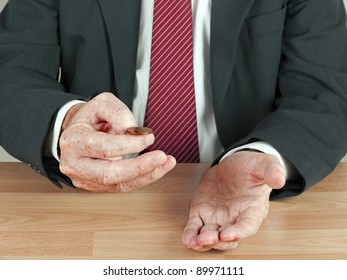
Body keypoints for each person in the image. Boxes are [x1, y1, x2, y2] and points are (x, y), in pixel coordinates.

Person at [1, 0, 347, 251]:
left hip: (250, 209)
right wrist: (64, 126)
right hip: (90, 206)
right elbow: (11, 74)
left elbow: (328, 92)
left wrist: (263, 154)